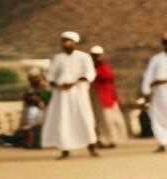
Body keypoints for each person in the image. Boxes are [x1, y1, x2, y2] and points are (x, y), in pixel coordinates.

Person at [42, 31, 99, 159]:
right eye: (64, 41)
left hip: (78, 93)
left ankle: (92, 146)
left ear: (74, 43)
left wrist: (76, 82)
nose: (66, 43)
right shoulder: (58, 58)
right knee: (64, 119)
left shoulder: (83, 57)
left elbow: (90, 73)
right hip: (61, 94)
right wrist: (58, 84)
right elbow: (50, 75)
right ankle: (65, 149)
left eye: (69, 41)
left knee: (84, 117)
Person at [88, 45, 128, 148]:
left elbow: (108, 76)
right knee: (99, 119)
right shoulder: (91, 66)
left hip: (107, 97)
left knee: (109, 119)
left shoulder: (104, 66)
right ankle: (102, 139)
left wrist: (95, 73)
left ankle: (112, 139)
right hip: (96, 96)